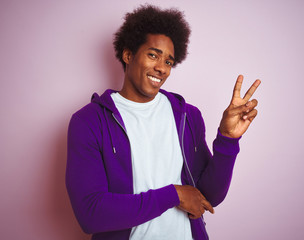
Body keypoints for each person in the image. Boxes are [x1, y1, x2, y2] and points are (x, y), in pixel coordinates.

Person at [66, 4, 260, 240]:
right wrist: (174, 195)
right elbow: (91, 214)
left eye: (169, 61)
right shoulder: (89, 122)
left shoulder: (187, 116)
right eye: (153, 55)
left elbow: (208, 196)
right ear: (128, 55)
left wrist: (228, 139)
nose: (161, 68)